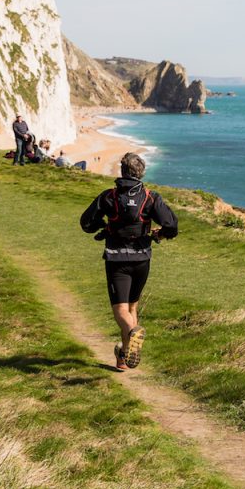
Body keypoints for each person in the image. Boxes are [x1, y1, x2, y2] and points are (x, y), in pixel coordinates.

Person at [80, 152, 178, 370]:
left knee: (120, 310)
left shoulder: (109, 196)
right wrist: (160, 235)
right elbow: (172, 225)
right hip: (143, 258)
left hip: (117, 259)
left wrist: (100, 226)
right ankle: (123, 356)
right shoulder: (151, 197)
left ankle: (133, 332)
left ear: (122, 171)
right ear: (142, 172)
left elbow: (86, 222)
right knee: (132, 306)